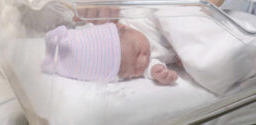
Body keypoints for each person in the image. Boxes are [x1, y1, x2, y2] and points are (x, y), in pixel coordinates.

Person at [41, 22, 178, 85]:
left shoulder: (137, 19)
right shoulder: (138, 55)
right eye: (134, 71)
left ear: (123, 27)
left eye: (137, 52)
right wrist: (155, 71)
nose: (143, 61)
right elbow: (149, 64)